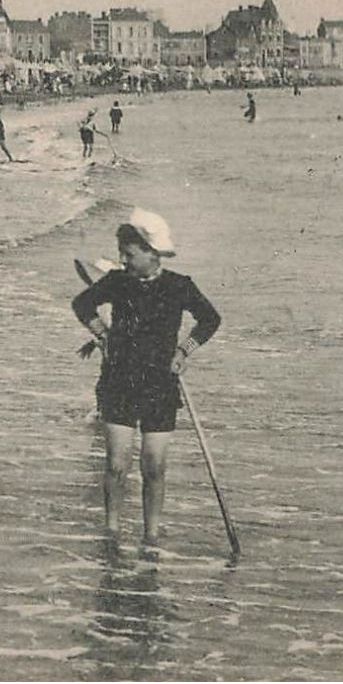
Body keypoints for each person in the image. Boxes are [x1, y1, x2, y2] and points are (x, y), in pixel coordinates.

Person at [72, 208, 221, 550]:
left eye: (130, 254)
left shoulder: (179, 286)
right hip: (119, 380)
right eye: (122, 253)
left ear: (152, 253)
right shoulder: (117, 281)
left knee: (154, 465)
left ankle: (150, 535)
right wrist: (103, 336)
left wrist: (183, 351)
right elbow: (82, 304)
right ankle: (111, 531)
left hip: (160, 384)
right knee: (115, 464)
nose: (123, 260)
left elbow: (210, 319)